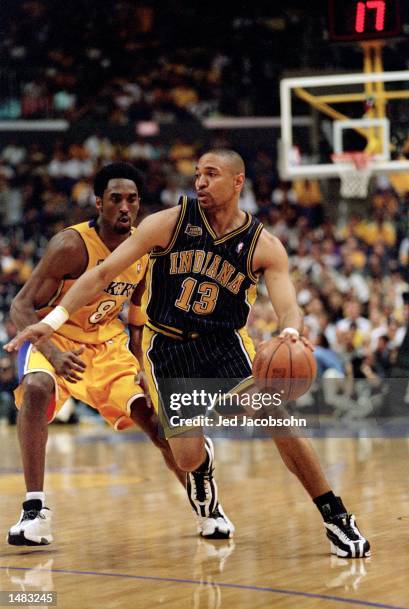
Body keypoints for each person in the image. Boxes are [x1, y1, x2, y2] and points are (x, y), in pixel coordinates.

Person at [5, 150, 370, 558]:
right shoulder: (167, 223)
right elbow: (103, 273)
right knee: (186, 453)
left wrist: (290, 331)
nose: (199, 182)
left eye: (210, 174)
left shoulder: (263, 244)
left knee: (274, 414)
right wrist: (53, 322)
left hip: (225, 342)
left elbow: (288, 304)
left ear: (237, 182)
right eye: (197, 174)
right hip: (170, 347)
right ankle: (200, 471)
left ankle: (335, 516)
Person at [5, 162, 234, 546]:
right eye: (115, 199)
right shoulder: (70, 246)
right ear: (99, 203)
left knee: (160, 427)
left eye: (132, 199)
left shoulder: (144, 249)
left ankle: (207, 507)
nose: (125, 207)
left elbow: (139, 312)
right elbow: (20, 306)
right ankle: (34, 511)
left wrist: (145, 365)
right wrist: (51, 351)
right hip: (57, 339)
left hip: (109, 346)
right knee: (38, 388)